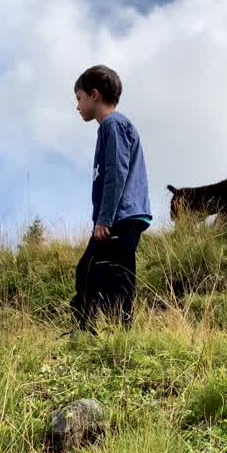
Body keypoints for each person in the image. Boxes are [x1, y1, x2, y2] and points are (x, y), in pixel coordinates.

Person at [68, 64, 151, 335]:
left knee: (101, 272)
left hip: (118, 216)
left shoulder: (112, 125)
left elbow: (116, 171)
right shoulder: (115, 126)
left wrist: (104, 218)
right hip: (124, 215)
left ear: (94, 95)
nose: (77, 106)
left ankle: (100, 334)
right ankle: (105, 333)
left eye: (78, 98)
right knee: (102, 272)